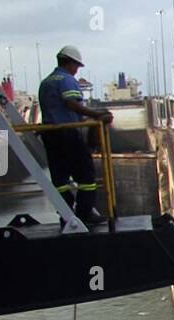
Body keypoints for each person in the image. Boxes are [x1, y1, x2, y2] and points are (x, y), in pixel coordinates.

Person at [38, 45, 113, 226]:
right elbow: (71, 103)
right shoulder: (67, 80)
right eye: (76, 66)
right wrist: (96, 115)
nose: (77, 70)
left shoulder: (46, 82)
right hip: (68, 133)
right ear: (69, 63)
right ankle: (85, 213)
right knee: (86, 175)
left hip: (50, 135)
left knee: (60, 177)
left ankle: (66, 213)